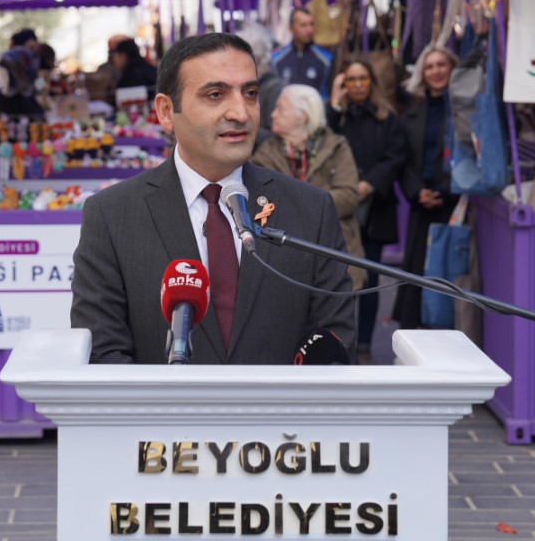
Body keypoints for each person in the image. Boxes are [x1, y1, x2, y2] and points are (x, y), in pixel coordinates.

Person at [70, 33, 356, 364]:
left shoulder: (311, 210)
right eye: (215, 95)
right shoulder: (112, 215)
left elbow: (334, 345)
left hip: (279, 414)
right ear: (166, 112)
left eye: (250, 94)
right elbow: (104, 352)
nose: (241, 112)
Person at [327, 55, 407, 361]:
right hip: (343, 208)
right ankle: (339, 342)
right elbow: (324, 137)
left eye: (362, 79)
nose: (357, 85)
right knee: (339, 275)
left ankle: (364, 347)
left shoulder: (387, 117)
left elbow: (395, 155)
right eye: (351, 79)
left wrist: (369, 184)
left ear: (371, 82)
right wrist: (335, 101)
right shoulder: (338, 116)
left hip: (375, 206)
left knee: (370, 278)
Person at [252, 84, 367, 295]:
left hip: (335, 254)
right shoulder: (265, 153)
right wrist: (316, 204)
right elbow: (262, 201)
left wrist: (298, 205)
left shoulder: (336, 147)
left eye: (281, 109)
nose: (272, 114)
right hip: (282, 260)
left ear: (303, 116)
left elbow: (349, 196)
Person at [393, 47, 459, 330]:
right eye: (430, 66)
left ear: (452, 69)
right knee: (416, 271)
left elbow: (467, 158)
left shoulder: (462, 111)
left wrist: (444, 191)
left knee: (448, 270)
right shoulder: (412, 114)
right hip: (421, 202)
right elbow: (402, 160)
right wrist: (417, 191)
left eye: (441, 64)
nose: (436, 71)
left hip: (454, 203)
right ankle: (411, 337)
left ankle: (447, 331)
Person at [235, 25, 284, 146]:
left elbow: (276, 137)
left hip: (261, 160)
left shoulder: (274, 88)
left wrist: (239, 127)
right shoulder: (240, 85)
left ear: (255, 59)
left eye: (237, 57)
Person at [271, 8, 333, 100]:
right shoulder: (276, 59)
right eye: (303, 25)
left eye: (311, 24)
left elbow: (329, 94)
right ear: (291, 28)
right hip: (286, 113)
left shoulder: (326, 59)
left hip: (316, 113)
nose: (309, 30)